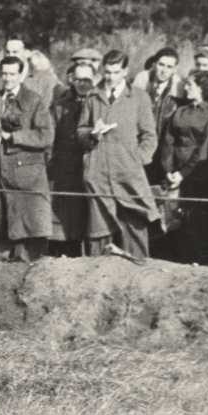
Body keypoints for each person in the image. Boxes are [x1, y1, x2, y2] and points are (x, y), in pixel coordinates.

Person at [78, 50, 159, 259]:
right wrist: (92, 133)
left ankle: (138, 274)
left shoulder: (139, 98)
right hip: (98, 173)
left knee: (135, 222)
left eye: (115, 72)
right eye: (107, 72)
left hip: (128, 174)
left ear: (125, 72)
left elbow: (149, 136)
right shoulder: (93, 96)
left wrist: (137, 160)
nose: (110, 77)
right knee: (99, 227)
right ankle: (97, 276)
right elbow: (80, 131)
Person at [0, 55, 54, 261]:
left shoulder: (34, 100)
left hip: (25, 171)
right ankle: (1, 258)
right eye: (4, 74)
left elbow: (45, 136)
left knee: (27, 220)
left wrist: (13, 137)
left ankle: (26, 260)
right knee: (1, 217)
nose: (8, 78)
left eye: (12, 74)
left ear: (21, 75)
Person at [157, 70, 208, 264]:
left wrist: (183, 174)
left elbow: (204, 147)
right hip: (175, 170)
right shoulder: (181, 111)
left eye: (190, 85)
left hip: (200, 172)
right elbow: (168, 141)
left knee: (198, 219)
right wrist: (169, 170)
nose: (186, 88)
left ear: (203, 88)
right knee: (176, 217)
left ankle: (201, 262)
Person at [48, 62, 95, 255]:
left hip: (93, 165)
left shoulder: (99, 101)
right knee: (66, 216)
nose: (82, 84)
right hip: (66, 166)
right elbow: (50, 135)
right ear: (71, 80)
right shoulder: (61, 104)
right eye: (78, 80)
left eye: (87, 80)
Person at [133, 47, 184, 185]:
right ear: (154, 64)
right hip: (140, 145)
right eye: (161, 65)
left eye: (169, 67)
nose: (164, 70)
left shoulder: (179, 90)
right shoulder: (141, 82)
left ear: (174, 69)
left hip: (164, 149)